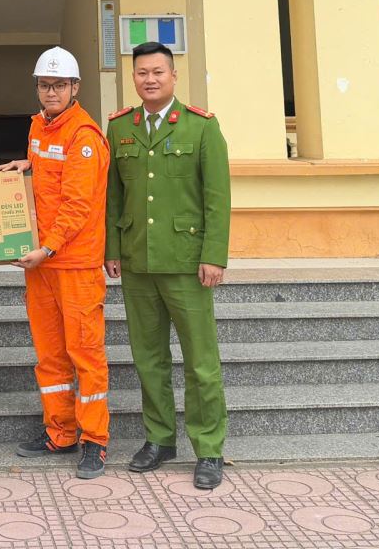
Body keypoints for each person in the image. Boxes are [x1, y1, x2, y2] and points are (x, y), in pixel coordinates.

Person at [105, 42, 230, 491]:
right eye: (142, 73)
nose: (150, 79)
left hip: (186, 263)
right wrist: (112, 248)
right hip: (138, 260)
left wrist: (213, 255)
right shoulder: (120, 126)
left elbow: (217, 198)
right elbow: (114, 195)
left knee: (201, 362)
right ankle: (159, 440)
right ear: (133, 78)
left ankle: (209, 448)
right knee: (148, 359)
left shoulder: (201, 127)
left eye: (158, 72)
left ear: (174, 76)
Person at [0, 46, 112, 480]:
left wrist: (47, 248)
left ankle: (95, 440)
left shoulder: (84, 136)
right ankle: (60, 432)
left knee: (86, 354)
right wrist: (27, 163)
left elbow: (78, 205)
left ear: (75, 88)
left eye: (59, 85)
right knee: (49, 355)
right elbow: (50, 174)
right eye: (45, 85)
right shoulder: (39, 126)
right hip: (43, 265)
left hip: (74, 264)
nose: (51, 92)